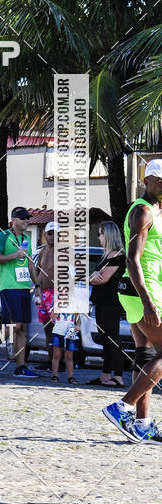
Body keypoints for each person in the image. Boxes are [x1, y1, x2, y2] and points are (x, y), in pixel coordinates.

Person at [103, 159, 162, 443]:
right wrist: (148, 301)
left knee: (147, 356)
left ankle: (142, 424)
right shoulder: (142, 211)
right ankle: (122, 406)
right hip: (142, 289)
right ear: (148, 180)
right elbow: (132, 259)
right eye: (160, 180)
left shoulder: (156, 210)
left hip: (144, 288)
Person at [0, 207, 40, 379]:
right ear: (13, 219)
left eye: (28, 219)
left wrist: (37, 284)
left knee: (22, 329)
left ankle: (20, 367)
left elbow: (29, 264)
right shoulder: (4, 236)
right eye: (23, 219)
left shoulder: (26, 238)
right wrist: (14, 255)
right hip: (8, 286)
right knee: (16, 325)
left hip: (23, 287)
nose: (26, 221)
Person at [88, 221, 126, 387]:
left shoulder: (117, 255)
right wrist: (94, 276)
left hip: (112, 303)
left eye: (100, 234)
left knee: (113, 338)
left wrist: (95, 276)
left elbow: (101, 279)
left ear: (108, 235)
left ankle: (118, 376)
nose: (99, 237)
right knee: (104, 338)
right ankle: (105, 374)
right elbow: (94, 277)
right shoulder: (106, 255)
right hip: (101, 302)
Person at [33, 221, 58, 370]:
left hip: (57, 294)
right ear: (45, 235)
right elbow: (37, 270)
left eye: (55, 233)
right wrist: (37, 287)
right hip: (44, 294)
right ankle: (50, 360)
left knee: (59, 330)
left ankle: (58, 362)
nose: (52, 236)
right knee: (47, 329)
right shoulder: (42, 251)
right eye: (49, 233)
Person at [50, 311, 79, 384]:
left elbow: (78, 320)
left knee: (69, 356)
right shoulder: (58, 304)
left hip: (70, 332)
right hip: (57, 332)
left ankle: (70, 377)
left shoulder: (74, 307)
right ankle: (54, 375)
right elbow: (53, 318)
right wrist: (57, 310)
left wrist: (78, 325)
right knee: (56, 355)